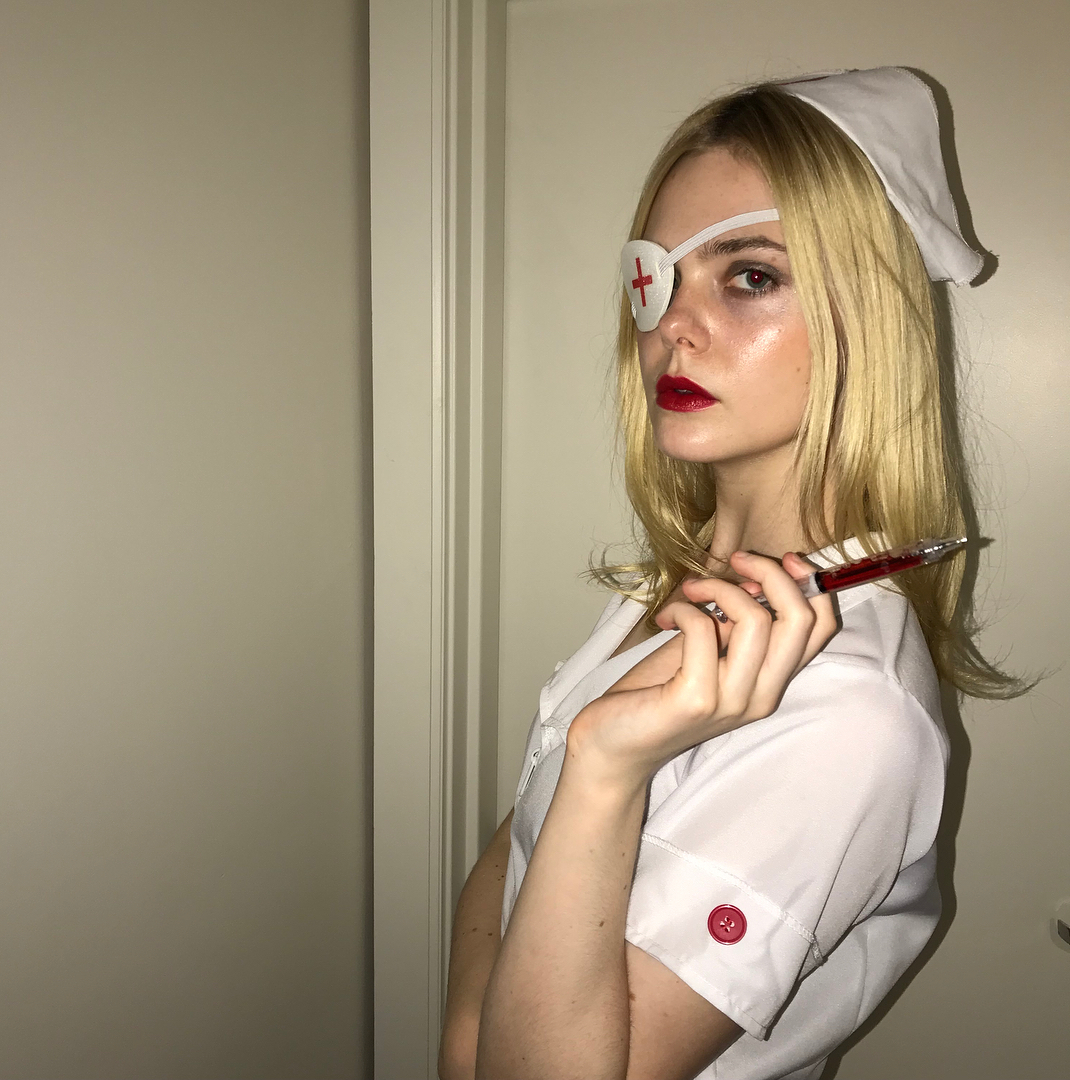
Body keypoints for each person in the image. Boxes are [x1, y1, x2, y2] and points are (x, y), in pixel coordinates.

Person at [438, 67, 1023, 1080]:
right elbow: (514, 863)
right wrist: (464, 1042)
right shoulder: (683, 584)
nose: (672, 323)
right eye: (657, 275)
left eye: (749, 276)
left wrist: (604, 768)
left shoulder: (849, 715)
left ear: (868, 315)